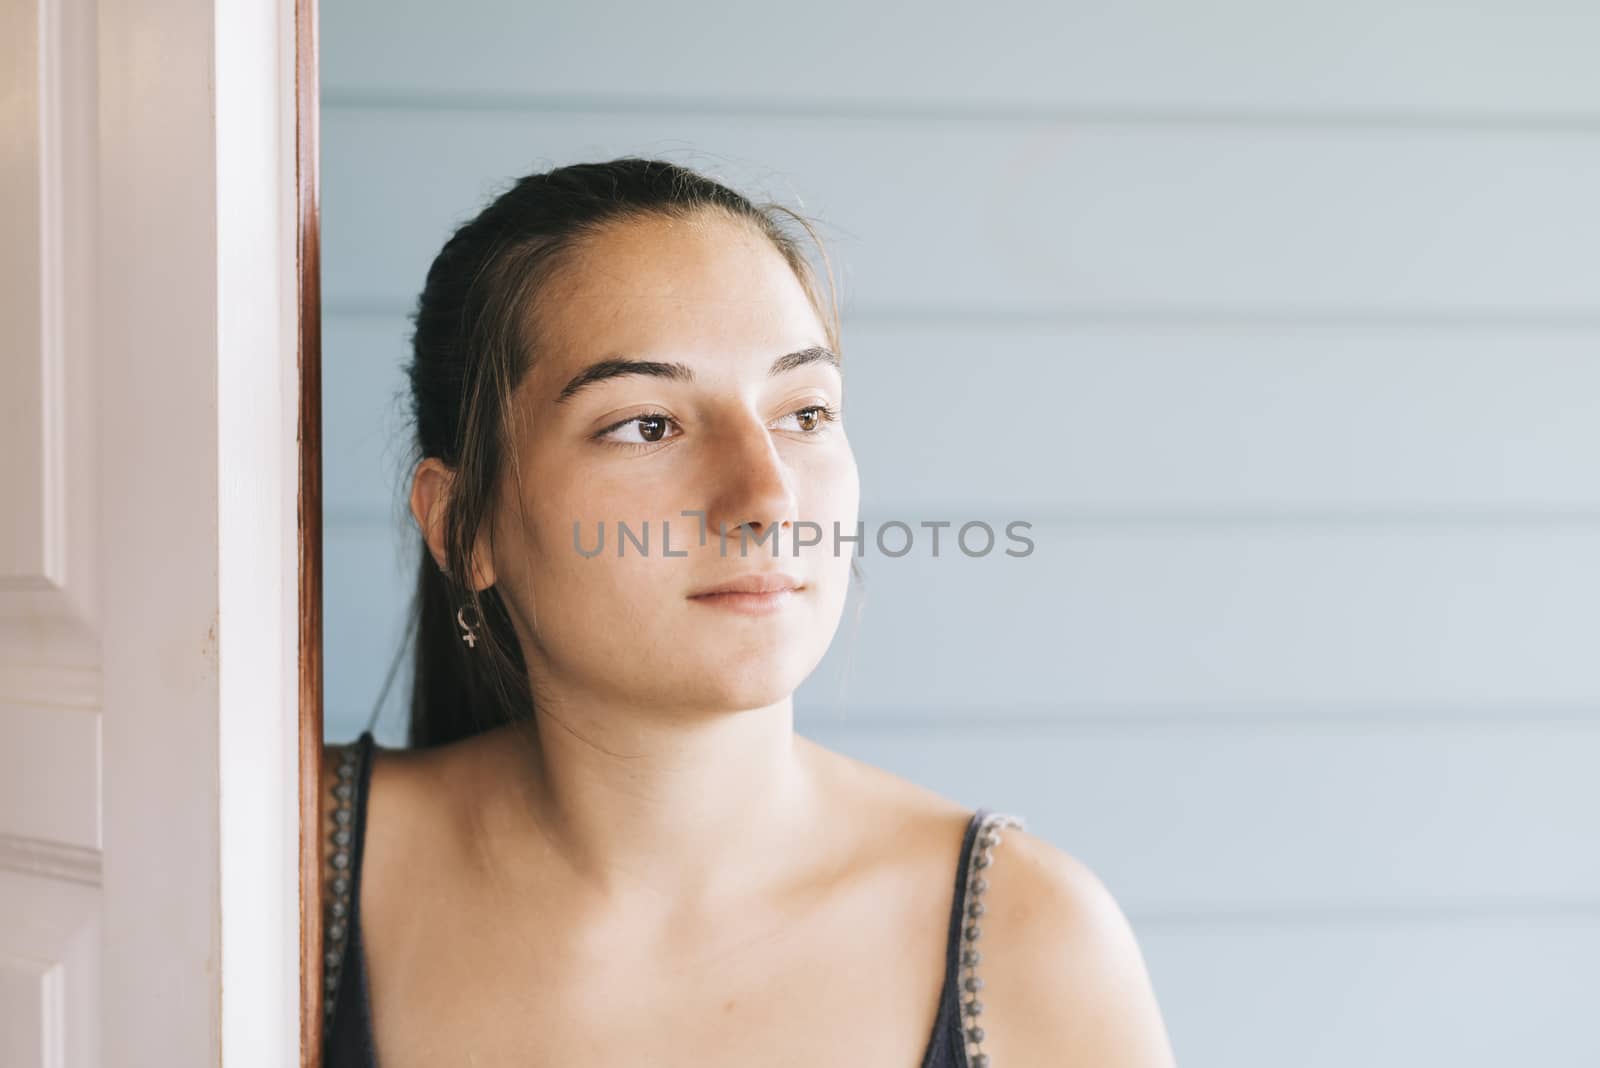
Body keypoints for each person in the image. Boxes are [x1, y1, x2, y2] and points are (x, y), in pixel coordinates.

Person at [319, 157, 1176, 1067]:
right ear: (464, 526)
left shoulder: (1030, 942)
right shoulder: (282, 858)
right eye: (648, 425)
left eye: (804, 414)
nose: (768, 497)